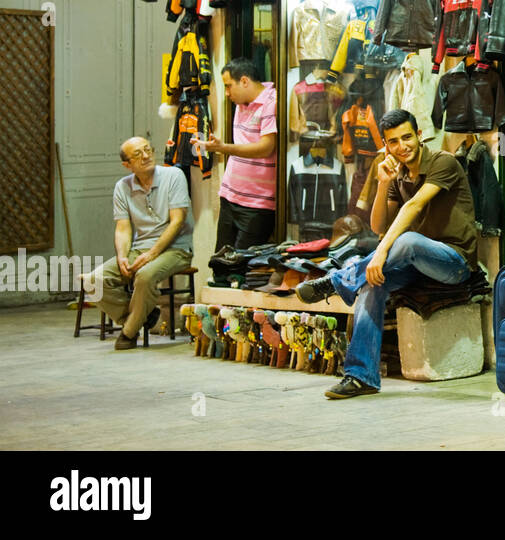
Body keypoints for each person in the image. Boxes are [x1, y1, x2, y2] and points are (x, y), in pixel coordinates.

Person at [295, 109, 478, 399]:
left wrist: (381, 253)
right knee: (371, 283)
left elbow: (414, 207)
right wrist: (382, 183)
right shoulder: (398, 173)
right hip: (415, 264)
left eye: (407, 137)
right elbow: (379, 225)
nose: (402, 146)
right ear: (386, 145)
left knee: (407, 241)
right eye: (393, 142)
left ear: (419, 136)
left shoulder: (444, 162)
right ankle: (361, 376)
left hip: (454, 263)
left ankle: (337, 280)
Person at [82, 137, 193, 350]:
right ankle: (142, 316)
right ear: (127, 165)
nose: (145, 156)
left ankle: (128, 333)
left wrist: (151, 254)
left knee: (145, 275)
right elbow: (123, 228)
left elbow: (177, 221)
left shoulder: (173, 175)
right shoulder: (122, 187)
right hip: (139, 248)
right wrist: (122, 256)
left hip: (176, 249)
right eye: (137, 154)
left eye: (147, 150)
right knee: (93, 281)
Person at [204, 58, 278, 249]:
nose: (227, 93)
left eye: (229, 86)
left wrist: (224, 148)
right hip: (230, 195)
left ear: (244, 81)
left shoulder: (271, 102)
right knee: (221, 264)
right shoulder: (241, 102)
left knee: (244, 269)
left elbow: (266, 147)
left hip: (257, 203)